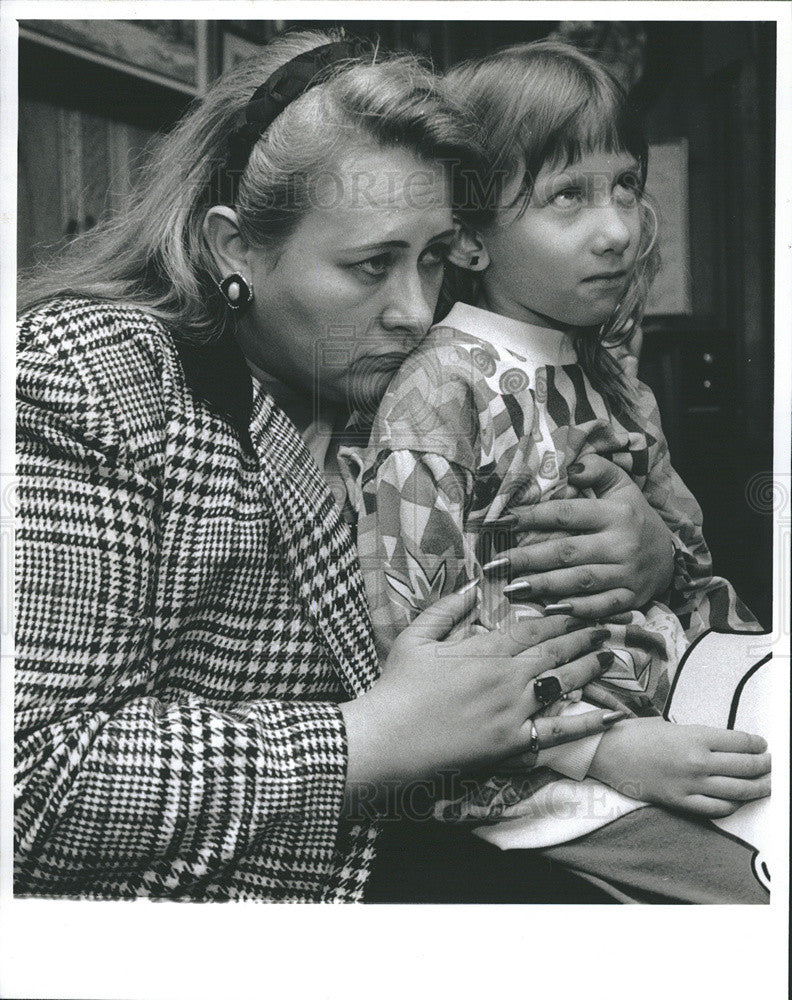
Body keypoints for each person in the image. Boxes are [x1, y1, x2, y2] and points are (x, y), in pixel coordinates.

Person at [16, 31, 638, 904]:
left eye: (431, 257)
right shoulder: (93, 373)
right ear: (234, 248)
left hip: (482, 826)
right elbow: (32, 784)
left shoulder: (431, 383)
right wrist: (367, 739)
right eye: (370, 265)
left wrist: (643, 546)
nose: (415, 309)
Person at [342, 40, 770, 901]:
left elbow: (691, 563)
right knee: (756, 898)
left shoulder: (609, 376)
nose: (616, 228)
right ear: (468, 234)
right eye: (566, 196)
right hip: (541, 778)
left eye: (626, 187)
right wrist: (601, 749)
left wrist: (664, 559)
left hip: (678, 712)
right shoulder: (440, 391)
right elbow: (421, 632)